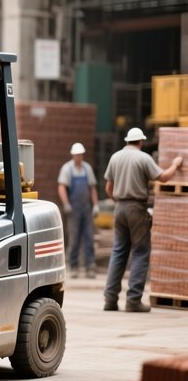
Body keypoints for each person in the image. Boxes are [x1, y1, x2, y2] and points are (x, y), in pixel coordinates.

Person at [102, 127, 183, 313]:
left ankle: (110, 299)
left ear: (127, 140)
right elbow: (163, 177)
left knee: (118, 252)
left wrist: (119, 202)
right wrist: (176, 164)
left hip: (119, 208)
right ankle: (133, 300)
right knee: (140, 251)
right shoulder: (143, 158)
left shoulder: (115, 157)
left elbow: (108, 188)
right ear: (141, 142)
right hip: (136, 208)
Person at [57, 142, 99, 278]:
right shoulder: (67, 169)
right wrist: (66, 203)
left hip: (86, 208)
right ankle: (73, 265)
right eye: (76, 155)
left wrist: (95, 205)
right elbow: (62, 187)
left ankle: (90, 266)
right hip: (74, 208)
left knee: (89, 237)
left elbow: (92, 187)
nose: (78, 157)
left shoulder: (87, 169)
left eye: (80, 154)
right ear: (73, 155)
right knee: (74, 238)